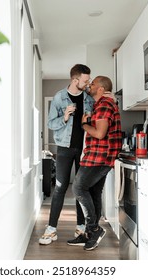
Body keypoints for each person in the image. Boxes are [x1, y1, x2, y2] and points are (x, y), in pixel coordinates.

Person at [39, 64, 95, 245]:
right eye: (85, 80)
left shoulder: (88, 99)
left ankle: (81, 227)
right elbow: (50, 123)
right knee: (60, 187)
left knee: (80, 188)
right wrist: (64, 117)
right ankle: (51, 229)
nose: (88, 83)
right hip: (63, 148)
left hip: (84, 150)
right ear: (75, 80)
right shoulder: (59, 97)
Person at [67, 75, 122, 251]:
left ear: (100, 89)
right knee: (93, 192)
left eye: (93, 83)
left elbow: (99, 133)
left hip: (99, 157)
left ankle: (94, 229)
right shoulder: (100, 105)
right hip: (98, 156)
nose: (90, 85)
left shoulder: (105, 104)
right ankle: (91, 233)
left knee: (78, 188)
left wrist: (84, 125)